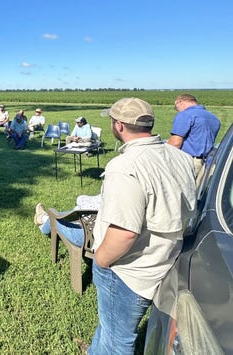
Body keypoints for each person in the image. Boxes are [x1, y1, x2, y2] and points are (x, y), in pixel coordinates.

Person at [88, 98, 196, 354]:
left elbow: (125, 233)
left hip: (127, 269)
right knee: (110, 325)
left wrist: (101, 260)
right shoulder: (179, 156)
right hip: (162, 259)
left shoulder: (125, 166)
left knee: (118, 340)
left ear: (119, 126)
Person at [168, 94, 221, 183]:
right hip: (207, 163)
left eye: (176, 108)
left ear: (180, 102)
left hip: (187, 162)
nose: (177, 111)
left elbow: (175, 143)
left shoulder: (185, 115)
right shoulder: (214, 118)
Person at [33, 195, 102, 247]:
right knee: (69, 213)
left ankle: (43, 219)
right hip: (92, 225)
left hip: (85, 236)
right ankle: (45, 218)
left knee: (55, 217)